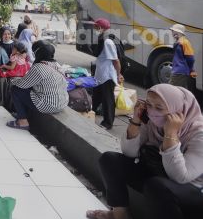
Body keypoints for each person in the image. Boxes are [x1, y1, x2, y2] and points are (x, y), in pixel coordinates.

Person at [86, 84, 203, 219]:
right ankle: (119, 215)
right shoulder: (152, 122)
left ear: (178, 110)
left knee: (156, 186)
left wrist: (170, 134)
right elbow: (129, 153)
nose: (152, 111)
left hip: (188, 189)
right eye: (149, 104)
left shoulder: (198, 133)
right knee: (109, 159)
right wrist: (136, 121)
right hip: (157, 173)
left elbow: (181, 177)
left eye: (159, 107)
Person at [6, 40, 69, 130]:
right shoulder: (58, 65)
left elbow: (23, 84)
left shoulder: (39, 67)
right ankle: (22, 114)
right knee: (30, 90)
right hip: (62, 104)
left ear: (39, 53)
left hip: (49, 105)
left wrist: (13, 80)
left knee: (16, 89)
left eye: (35, 52)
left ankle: (23, 121)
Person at [91, 18, 124, 130]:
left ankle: (108, 123)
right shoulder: (104, 37)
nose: (95, 29)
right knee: (96, 96)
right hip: (100, 74)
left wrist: (119, 74)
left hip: (107, 75)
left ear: (100, 27)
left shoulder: (108, 41)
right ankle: (90, 114)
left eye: (96, 27)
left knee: (108, 100)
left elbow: (116, 60)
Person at [169, 24, 197, 89]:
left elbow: (191, 59)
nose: (172, 33)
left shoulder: (185, 42)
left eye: (173, 31)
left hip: (179, 72)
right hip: (179, 71)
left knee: (172, 90)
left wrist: (192, 70)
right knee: (182, 91)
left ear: (178, 31)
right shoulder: (179, 42)